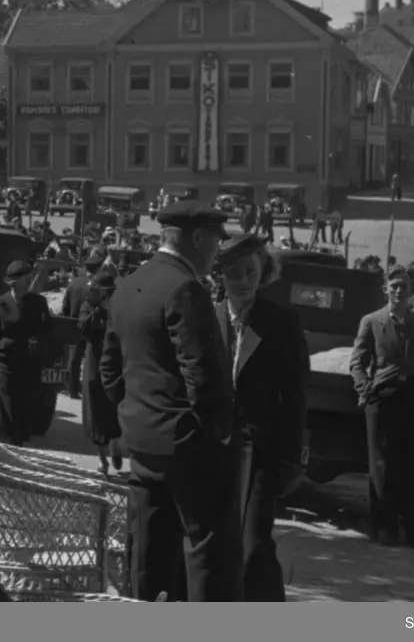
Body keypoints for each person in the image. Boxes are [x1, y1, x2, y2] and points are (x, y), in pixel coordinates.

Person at [99, 200, 242, 602]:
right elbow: (203, 375)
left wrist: (137, 414)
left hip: (143, 445)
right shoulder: (186, 288)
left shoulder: (129, 284)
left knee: (149, 556)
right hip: (189, 448)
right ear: (197, 238)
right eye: (215, 242)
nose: (216, 254)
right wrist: (221, 434)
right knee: (208, 555)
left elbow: (109, 370)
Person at [213, 233, 308, 602]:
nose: (243, 280)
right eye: (234, 272)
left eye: (251, 272)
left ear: (263, 273)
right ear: (220, 274)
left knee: (254, 542)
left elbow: (296, 394)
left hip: (262, 453)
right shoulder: (207, 318)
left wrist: (293, 456)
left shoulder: (281, 322)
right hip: (216, 450)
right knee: (218, 542)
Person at [349, 265, 414, 548]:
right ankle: (385, 526)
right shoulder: (372, 321)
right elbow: (358, 361)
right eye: (394, 286)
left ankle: (413, 528)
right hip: (382, 396)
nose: (399, 290)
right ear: (385, 290)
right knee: (381, 465)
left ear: (412, 292)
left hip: (411, 396)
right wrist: (365, 389)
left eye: (404, 286)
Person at [0, 260, 55, 447]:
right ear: (16, 281)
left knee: (27, 403)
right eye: (27, 278)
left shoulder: (38, 302)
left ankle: (20, 437)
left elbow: (46, 331)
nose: (30, 281)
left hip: (29, 360)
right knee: (9, 402)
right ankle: (14, 443)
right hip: (3, 360)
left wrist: (41, 350)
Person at [77, 270, 123, 475]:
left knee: (114, 409)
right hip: (95, 366)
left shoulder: (119, 307)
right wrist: (98, 312)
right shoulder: (88, 306)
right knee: (96, 413)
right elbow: (83, 329)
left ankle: (115, 446)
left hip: (115, 366)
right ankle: (101, 458)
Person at [61, 251, 105, 400]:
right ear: (99, 268)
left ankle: (71, 389)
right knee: (91, 361)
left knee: (73, 360)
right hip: (93, 328)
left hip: (74, 325)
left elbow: (65, 306)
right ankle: (88, 390)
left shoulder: (74, 283)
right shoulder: (99, 285)